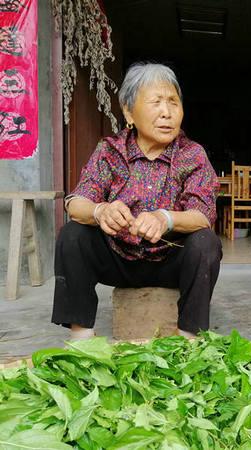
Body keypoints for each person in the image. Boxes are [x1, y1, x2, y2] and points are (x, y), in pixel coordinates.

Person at [52, 62, 222, 340]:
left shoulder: (192, 154)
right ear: (129, 112)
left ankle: (188, 337)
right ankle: (81, 336)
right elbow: (76, 202)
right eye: (156, 102)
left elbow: (203, 213)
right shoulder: (110, 150)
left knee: (206, 243)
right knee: (73, 235)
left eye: (173, 103)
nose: (167, 113)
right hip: (117, 259)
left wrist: (165, 219)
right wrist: (100, 211)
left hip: (170, 262)